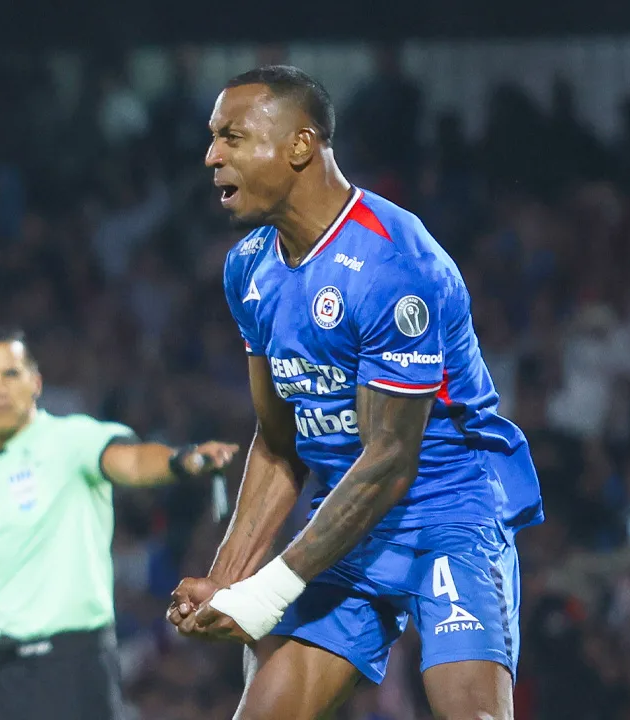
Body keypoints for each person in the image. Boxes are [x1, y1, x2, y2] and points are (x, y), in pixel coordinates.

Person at [166, 66, 544, 719]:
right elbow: (280, 443)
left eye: (231, 137)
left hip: (448, 513)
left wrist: (270, 588)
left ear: (299, 146)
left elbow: (390, 461)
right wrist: (228, 580)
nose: (211, 156)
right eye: (211, 138)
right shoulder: (250, 268)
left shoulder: (396, 264)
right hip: (347, 524)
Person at [0, 327, 240, 720]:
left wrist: (181, 460)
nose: (0, 387)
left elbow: (132, 461)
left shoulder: (72, 439)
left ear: (35, 382)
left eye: (11, 373)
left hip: (72, 660)